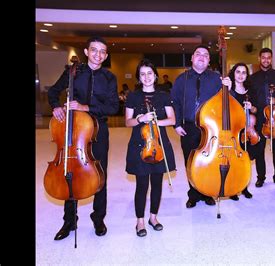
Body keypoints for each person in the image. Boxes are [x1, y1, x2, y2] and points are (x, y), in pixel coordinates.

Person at [48, 36, 119, 240]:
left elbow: (113, 107)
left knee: (99, 174)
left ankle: (98, 218)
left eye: (102, 51)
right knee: (70, 172)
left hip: (99, 131)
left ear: (106, 56)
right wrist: (55, 107)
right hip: (74, 131)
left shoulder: (109, 77)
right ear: (86, 52)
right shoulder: (73, 71)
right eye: (94, 50)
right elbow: (53, 92)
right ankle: (69, 221)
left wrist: (86, 107)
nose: (98, 54)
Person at [171, 44, 230, 208]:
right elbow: (174, 102)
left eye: (205, 54)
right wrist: (176, 124)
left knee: (208, 162)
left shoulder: (217, 79)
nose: (202, 57)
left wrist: (228, 88)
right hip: (188, 127)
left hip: (210, 129)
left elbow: (226, 102)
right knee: (190, 162)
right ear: (192, 58)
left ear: (209, 60)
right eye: (198, 54)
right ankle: (193, 194)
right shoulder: (181, 79)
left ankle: (207, 193)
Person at [125, 59, 176, 237]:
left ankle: (153, 217)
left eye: (149, 73)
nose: (146, 77)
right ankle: (139, 221)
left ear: (155, 75)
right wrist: (140, 119)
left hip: (159, 144)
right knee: (141, 185)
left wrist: (155, 120)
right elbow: (128, 121)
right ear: (139, 77)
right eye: (142, 74)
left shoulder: (163, 95)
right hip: (139, 145)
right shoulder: (133, 96)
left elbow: (172, 119)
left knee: (157, 184)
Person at [249, 48, 275, 188]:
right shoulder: (253, 78)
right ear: (259, 58)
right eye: (263, 57)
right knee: (260, 149)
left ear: (271, 59)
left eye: (268, 57)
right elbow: (251, 98)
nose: (266, 60)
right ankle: (261, 177)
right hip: (260, 117)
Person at [227, 62, 256, 200]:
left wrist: (252, 107)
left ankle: (244, 187)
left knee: (246, 160)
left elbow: (257, 110)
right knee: (233, 160)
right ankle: (233, 189)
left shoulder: (251, 90)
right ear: (233, 73)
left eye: (244, 72)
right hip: (233, 130)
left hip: (247, 131)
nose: (240, 75)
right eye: (238, 72)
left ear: (247, 75)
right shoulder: (228, 89)